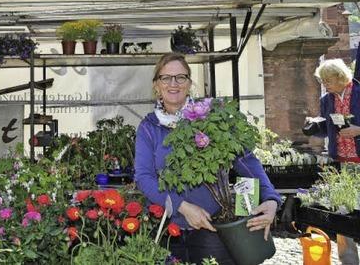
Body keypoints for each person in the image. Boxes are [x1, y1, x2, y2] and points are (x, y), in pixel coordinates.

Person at [134, 53, 281, 265]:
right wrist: (182, 206)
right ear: (156, 85)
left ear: (189, 83)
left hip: (213, 227)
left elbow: (246, 162)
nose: (173, 84)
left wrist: (269, 198)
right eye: (166, 78)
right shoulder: (149, 127)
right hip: (167, 229)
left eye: (180, 77)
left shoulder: (212, 118)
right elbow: (144, 178)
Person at [306, 58, 360, 265]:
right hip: (341, 162)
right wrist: (313, 124)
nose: (325, 85)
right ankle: (349, 262)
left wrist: (358, 130)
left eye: (328, 80)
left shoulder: (358, 91)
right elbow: (325, 127)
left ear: (341, 77)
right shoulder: (327, 100)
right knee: (343, 212)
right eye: (323, 81)